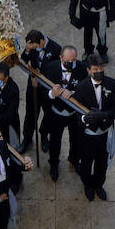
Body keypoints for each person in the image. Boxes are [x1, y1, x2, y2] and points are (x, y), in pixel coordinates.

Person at [71, 53, 115, 201]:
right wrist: (84, 118)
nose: (99, 71)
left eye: (101, 68)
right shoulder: (81, 87)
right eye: (95, 69)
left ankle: (98, 185)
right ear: (88, 70)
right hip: (88, 135)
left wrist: (104, 115)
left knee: (102, 163)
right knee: (86, 162)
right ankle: (88, 185)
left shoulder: (111, 84)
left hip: (104, 133)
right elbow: (76, 113)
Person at [40, 45, 83, 180]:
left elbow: (85, 89)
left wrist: (74, 93)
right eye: (67, 61)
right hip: (56, 113)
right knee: (55, 141)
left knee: (76, 139)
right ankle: (54, 164)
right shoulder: (50, 68)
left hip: (73, 113)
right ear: (60, 57)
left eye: (73, 60)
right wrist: (52, 94)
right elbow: (42, 89)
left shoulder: (81, 68)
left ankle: (74, 159)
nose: (71, 63)